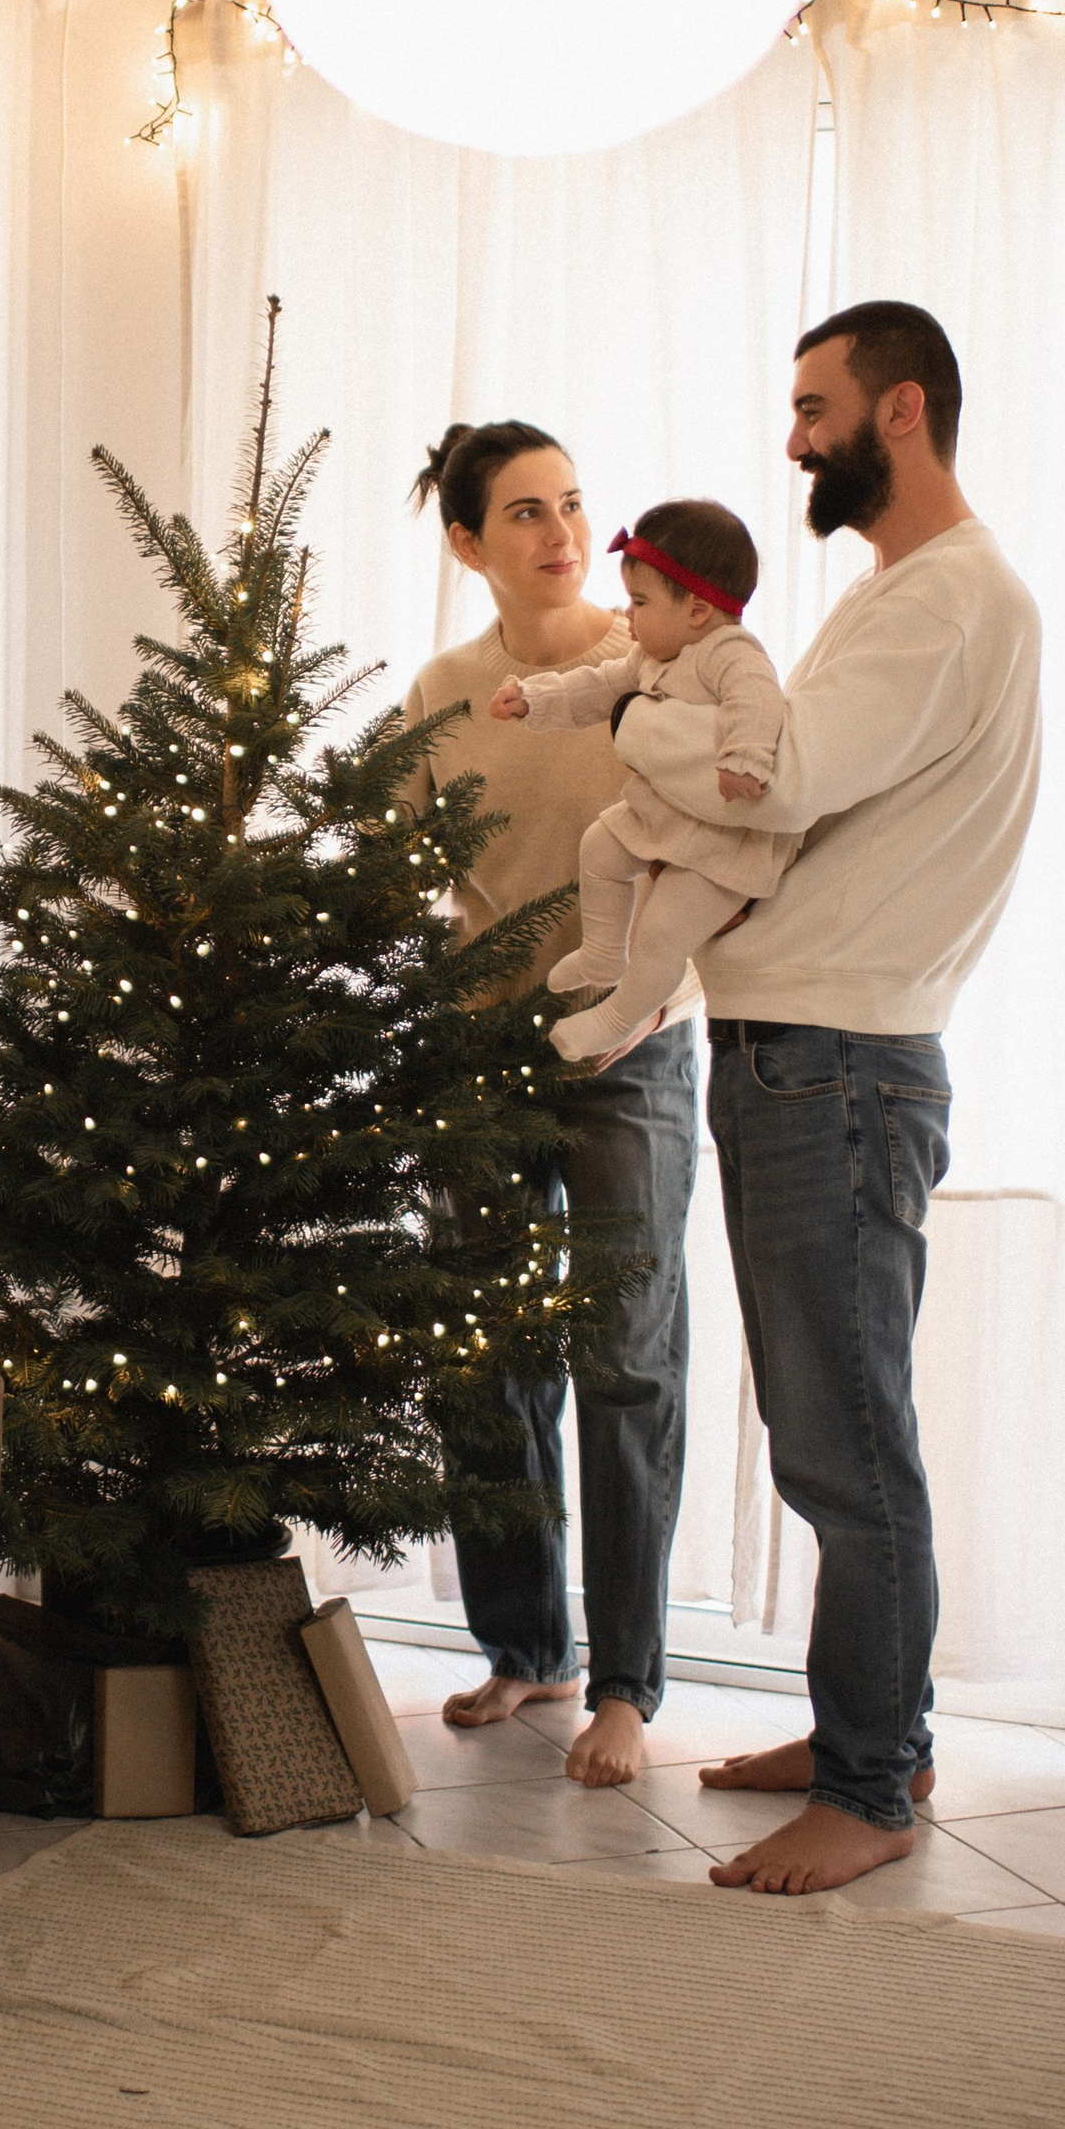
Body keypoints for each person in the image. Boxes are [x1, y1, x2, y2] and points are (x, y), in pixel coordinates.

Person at [610, 302, 1042, 1894]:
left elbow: (768, 779)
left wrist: (631, 713)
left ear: (902, 413)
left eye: (814, 407)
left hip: (835, 1062)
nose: (790, 440)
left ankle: (869, 1787)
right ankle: (879, 1729)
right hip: (812, 1050)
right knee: (825, 1425)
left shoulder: (944, 603)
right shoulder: (901, 595)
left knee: (849, 1444)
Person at [397, 422, 702, 1791]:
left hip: (634, 1049)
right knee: (485, 1350)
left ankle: (628, 1685)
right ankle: (527, 1648)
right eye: (525, 511)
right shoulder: (441, 693)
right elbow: (409, 873)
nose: (560, 531)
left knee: (625, 1359)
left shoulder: (653, 667)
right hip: (485, 1050)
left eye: (573, 504)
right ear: (469, 542)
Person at [491, 498, 797, 1066]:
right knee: (600, 847)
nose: (627, 615)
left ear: (699, 610)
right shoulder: (652, 655)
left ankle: (617, 1015)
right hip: (663, 814)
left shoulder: (731, 654)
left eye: (640, 601)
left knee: (660, 933)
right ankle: (603, 954)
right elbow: (596, 687)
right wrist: (534, 700)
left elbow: (758, 703)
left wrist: (746, 759)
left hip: (721, 845)